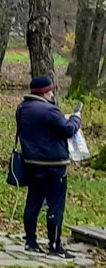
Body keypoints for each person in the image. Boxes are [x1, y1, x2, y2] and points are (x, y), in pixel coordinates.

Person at [16, 75, 81, 257]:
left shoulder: (22, 108)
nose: (52, 94)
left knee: (33, 202)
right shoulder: (50, 111)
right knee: (55, 204)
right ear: (45, 92)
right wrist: (76, 119)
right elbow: (68, 130)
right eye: (51, 90)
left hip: (31, 162)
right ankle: (54, 245)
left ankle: (30, 241)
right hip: (54, 165)